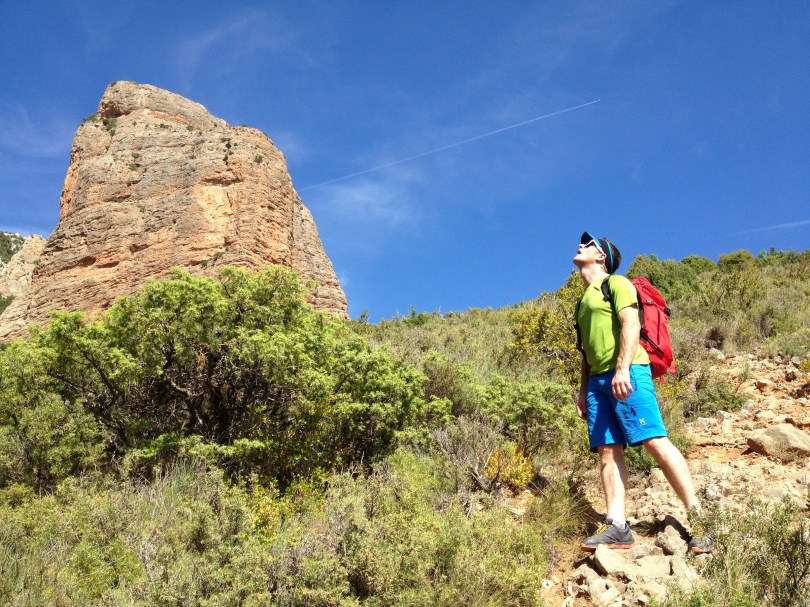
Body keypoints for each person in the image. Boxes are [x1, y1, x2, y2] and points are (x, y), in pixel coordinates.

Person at [573, 231, 712, 554]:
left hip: (629, 371)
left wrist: (622, 368)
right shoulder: (582, 300)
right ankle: (618, 526)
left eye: (589, 244)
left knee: (653, 439)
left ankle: (703, 520)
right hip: (597, 383)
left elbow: (631, 325)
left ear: (602, 256)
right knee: (608, 451)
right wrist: (583, 391)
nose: (581, 246)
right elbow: (584, 351)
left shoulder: (617, 284)